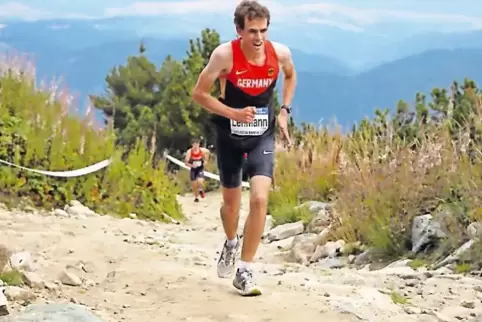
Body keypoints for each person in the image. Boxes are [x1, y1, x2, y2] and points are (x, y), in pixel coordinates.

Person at [191, 0, 295, 296]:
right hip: (229, 136)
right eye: (252, 31)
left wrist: (284, 110)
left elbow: (290, 75)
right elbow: (199, 94)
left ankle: (246, 269)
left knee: (260, 200)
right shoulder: (224, 56)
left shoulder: (280, 53)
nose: (259, 38)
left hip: (262, 135)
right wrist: (233, 114)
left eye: (263, 30)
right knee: (231, 207)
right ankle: (230, 243)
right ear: (239, 30)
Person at [184, 138, 210, 202]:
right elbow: (186, 163)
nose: (195, 146)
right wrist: (192, 165)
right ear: (192, 145)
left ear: (199, 145)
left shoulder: (202, 150)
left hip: (200, 168)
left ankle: (201, 190)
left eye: (197, 144)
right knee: (194, 184)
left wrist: (206, 160)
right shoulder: (189, 152)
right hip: (193, 169)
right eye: (194, 145)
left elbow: (208, 152)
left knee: (200, 181)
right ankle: (196, 197)